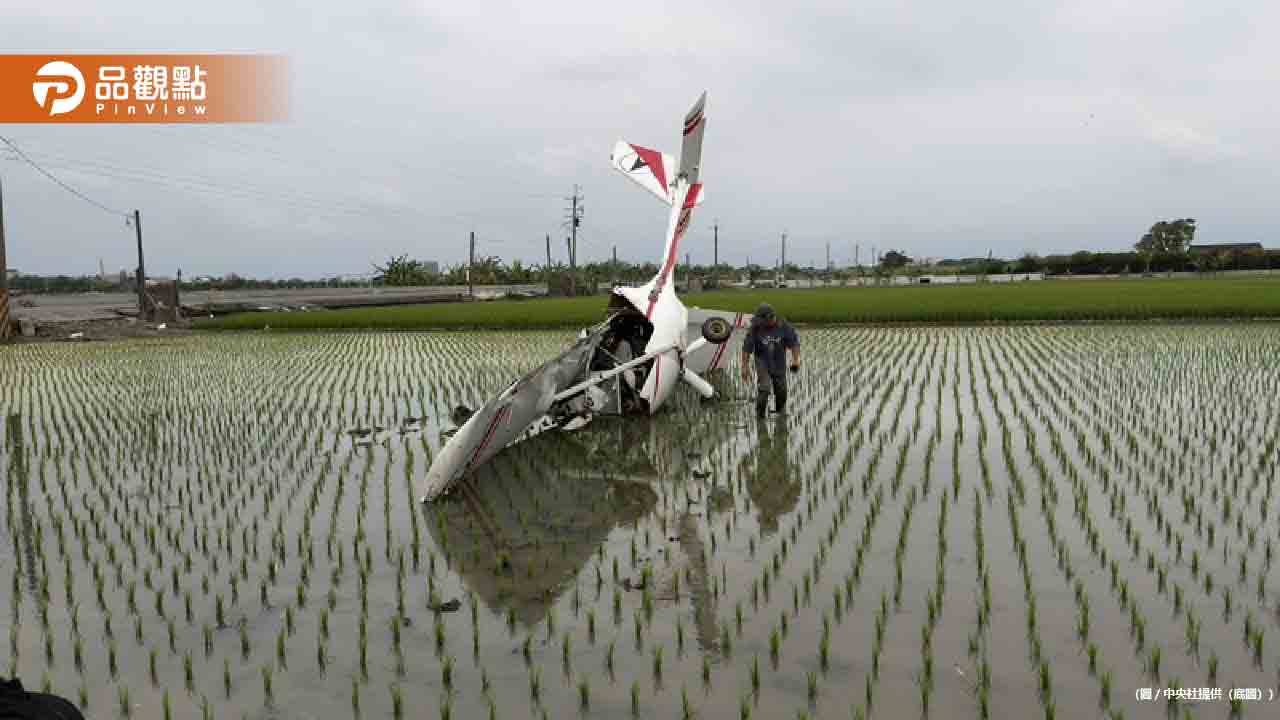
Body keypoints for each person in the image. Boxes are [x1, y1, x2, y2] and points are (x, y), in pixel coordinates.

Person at [740, 303, 800, 418]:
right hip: (762, 361)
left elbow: (794, 344)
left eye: (760, 320)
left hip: (779, 361)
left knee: (781, 390)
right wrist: (744, 366)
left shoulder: (784, 326)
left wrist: (796, 360)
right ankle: (760, 416)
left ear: (769, 318)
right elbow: (747, 347)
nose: (758, 322)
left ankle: (780, 413)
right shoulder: (755, 328)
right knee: (765, 388)